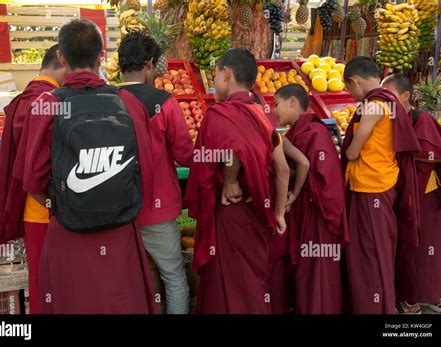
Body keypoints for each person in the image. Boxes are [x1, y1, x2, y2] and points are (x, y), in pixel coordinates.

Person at [23, 19, 156, 313]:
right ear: (101, 57)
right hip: (120, 235)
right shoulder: (128, 103)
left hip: (68, 236)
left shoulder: (47, 105)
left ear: (61, 57)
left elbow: (32, 180)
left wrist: (66, 203)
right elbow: (146, 169)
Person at [185, 48, 290, 314]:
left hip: (231, 214)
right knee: (250, 284)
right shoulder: (262, 115)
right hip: (256, 213)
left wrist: (230, 179)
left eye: (216, 75)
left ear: (226, 74)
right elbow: (283, 168)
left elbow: (233, 147)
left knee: (227, 285)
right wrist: (279, 213)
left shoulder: (220, 114)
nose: (213, 83)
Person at [117, 32, 193, 314]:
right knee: (173, 275)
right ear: (149, 63)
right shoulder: (165, 102)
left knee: (126, 279)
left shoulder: (106, 99)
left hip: (117, 209)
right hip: (157, 208)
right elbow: (186, 153)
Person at [0, 45, 66, 314]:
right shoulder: (44, 100)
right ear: (62, 60)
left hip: (32, 210)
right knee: (54, 286)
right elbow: (37, 170)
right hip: (44, 209)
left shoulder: (27, 98)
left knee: (41, 284)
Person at [341, 56, 421, 314]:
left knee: (368, 255)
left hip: (370, 187)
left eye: (350, 89)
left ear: (354, 81)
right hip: (383, 183)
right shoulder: (391, 103)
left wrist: (344, 150)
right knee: (378, 252)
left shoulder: (375, 106)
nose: (352, 96)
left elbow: (353, 151)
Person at [274, 84, 348, 314]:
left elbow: (320, 174)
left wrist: (294, 192)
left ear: (293, 103)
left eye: (277, 104)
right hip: (305, 209)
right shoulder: (296, 132)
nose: (274, 110)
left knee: (318, 270)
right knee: (307, 270)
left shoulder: (315, 133)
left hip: (318, 213)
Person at [382, 73, 441, 314]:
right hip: (400, 190)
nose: (384, 104)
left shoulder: (421, 120)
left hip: (424, 192)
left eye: (389, 98)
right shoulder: (387, 120)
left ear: (405, 96)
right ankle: (429, 291)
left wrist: (409, 152)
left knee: (424, 242)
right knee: (410, 244)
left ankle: (423, 295)